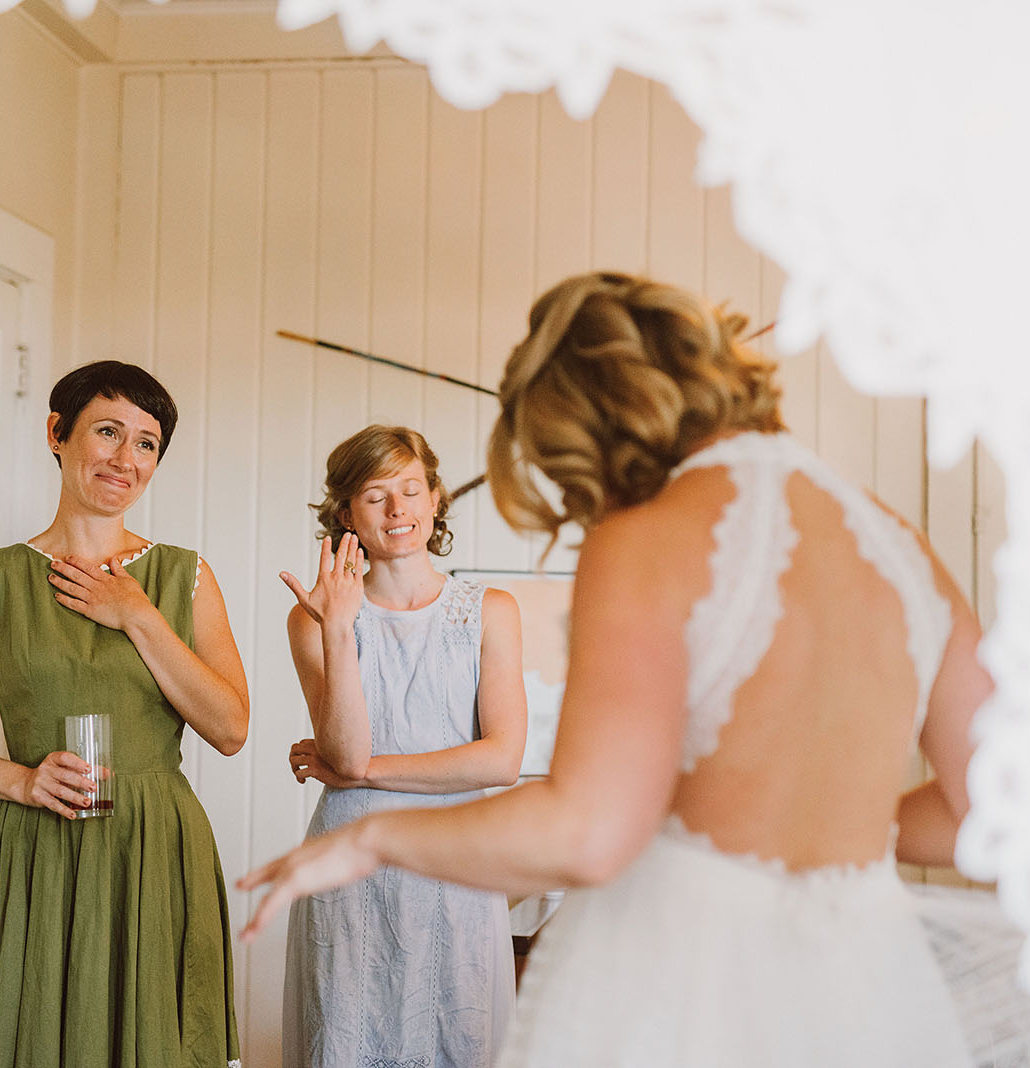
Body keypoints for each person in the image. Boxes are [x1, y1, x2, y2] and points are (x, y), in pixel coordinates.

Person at [240, 274, 992, 1067]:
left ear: (594, 423)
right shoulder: (895, 541)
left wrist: (372, 843)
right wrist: (818, 833)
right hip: (872, 989)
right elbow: (989, 810)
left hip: (697, 980)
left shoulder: (646, 539)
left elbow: (587, 834)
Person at [0, 360, 248, 1068]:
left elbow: (230, 728)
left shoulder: (186, 576)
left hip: (156, 850)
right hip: (40, 847)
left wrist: (138, 616)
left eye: (147, 443)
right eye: (108, 431)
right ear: (58, 435)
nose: (127, 459)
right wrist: (21, 782)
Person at [275, 425, 528, 1068]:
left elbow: (500, 759)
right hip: (352, 867)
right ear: (345, 514)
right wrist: (337, 626)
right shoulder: (312, 619)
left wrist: (360, 776)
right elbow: (347, 750)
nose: (398, 511)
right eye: (376, 495)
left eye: (412, 490)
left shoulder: (490, 609)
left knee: (457, 1043)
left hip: (457, 863)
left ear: (436, 498)